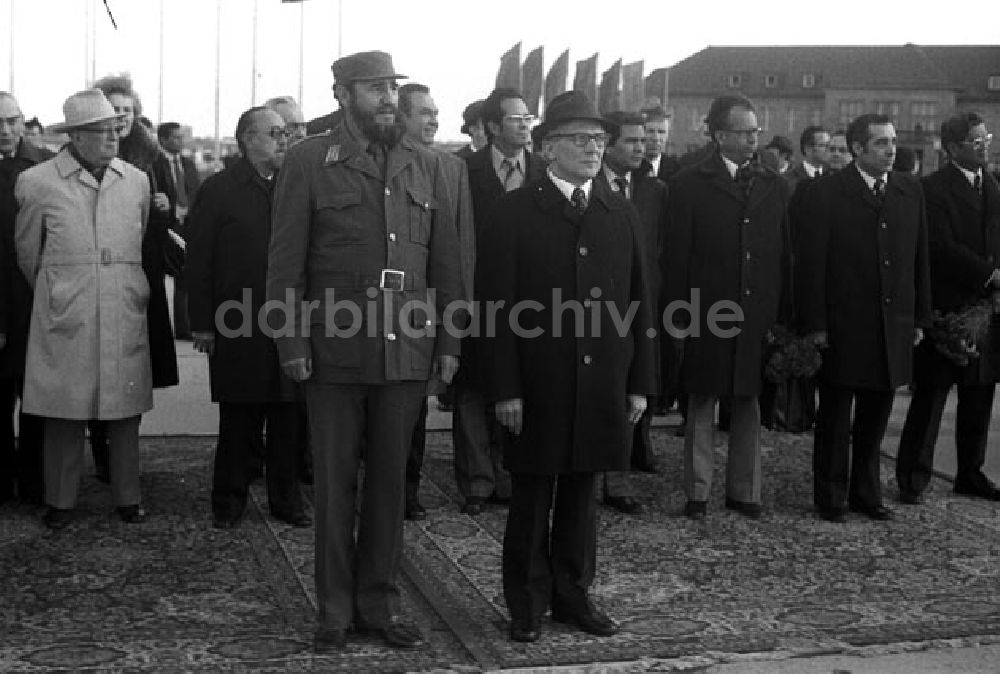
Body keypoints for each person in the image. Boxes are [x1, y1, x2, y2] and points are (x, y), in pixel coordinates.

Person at [266, 50, 462, 652]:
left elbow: (450, 265)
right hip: (333, 350)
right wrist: (291, 342)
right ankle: (334, 611)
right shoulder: (307, 162)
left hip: (406, 348)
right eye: (374, 89)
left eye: (390, 88)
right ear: (342, 93)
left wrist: (450, 341)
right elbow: (284, 264)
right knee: (332, 485)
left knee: (389, 486)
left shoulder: (431, 166)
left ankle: (379, 605)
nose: (387, 99)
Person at [478, 90, 654, 643]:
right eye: (579, 139)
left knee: (582, 495)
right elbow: (495, 310)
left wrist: (640, 384)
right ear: (547, 147)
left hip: (602, 379)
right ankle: (526, 604)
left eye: (599, 140)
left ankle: (573, 596)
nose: (593, 149)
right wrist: (505, 388)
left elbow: (640, 304)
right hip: (537, 384)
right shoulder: (512, 212)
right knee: (532, 497)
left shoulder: (619, 212)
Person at [14, 89, 154, 529]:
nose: (112, 135)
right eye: (99, 130)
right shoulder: (37, 182)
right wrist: (65, 287)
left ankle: (128, 497)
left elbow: (140, 234)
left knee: (124, 409)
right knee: (63, 409)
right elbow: (27, 253)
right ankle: (60, 500)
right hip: (66, 306)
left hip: (121, 302)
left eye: (115, 126)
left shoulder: (136, 180)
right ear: (74, 136)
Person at [797, 113, 932, 523]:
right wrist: (816, 324)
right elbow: (811, 264)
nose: (891, 150)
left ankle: (866, 493)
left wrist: (920, 318)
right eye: (880, 144)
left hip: (893, 324)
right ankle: (831, 495)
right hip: (844, 323)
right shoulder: (826, 192)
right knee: (836, 416)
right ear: (857, 149)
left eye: (892, 142)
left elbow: (919, 259)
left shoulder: (910, 191)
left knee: (876, 413)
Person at [663, 94, 790, 521]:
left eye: (757, 131)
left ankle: (744, 490)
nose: (754, 138)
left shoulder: (773, 183)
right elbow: (676, 255)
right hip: (707, 312)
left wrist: (781, 317)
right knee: (702, 401)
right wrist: (678, 317)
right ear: (720, 136)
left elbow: (782, 252)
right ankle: (698, 491)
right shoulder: (688, 183)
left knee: (750, 401)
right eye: (744, 131)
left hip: (756, 313)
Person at [186, 106, 309, 529]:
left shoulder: (296, 186)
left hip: (291, 320)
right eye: (274, 132)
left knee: (289, 418)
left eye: (287, 132)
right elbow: (198, 259)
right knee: (239, 420)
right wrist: (200, 321)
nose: (284, 139)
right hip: (237, 320)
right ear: (247, 139)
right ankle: (229, 502)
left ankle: (286, 500)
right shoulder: (219, 189)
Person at [896, 113, 1000, 504]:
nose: (984, 146)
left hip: (986, 311)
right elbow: (940, 247)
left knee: (979, 394)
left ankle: (970, 472)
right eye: (975, 141)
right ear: (952, 148)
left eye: (985, 138)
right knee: (932, 396)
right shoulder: (932, 189)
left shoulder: (991, 185)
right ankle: (913, 475)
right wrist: (990, 275)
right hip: (946, 308)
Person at [458, 87, 544, 515]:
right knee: (473, 389)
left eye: (529, 117)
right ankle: (477, 480)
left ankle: (513, 474)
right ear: (493, 127)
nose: (526, 124)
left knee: (520, 385)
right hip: (476, 294)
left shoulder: (543, 170)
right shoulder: (464, 170)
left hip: (530, 300)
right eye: (516, 118)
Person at [91, 74, 181, 483]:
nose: (121, 118)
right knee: (95, 361)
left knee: (133, 365)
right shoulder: (89, 151)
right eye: (113, 110)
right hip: (97, 267)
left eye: (126, 110)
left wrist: (163, 206)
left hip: (142, 266)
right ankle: (100, 448)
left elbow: (168, 215)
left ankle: (124, 452)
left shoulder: (153, 155)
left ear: (136, 113)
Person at [397, 82, 476, 519]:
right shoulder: (380, 161)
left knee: (416, 408)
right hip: (374, 309)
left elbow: (459, 247)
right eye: (424, 112)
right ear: (401, 117)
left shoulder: (451, 168)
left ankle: (408, 492)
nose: (433, 120)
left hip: (426, 310)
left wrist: (456, 316)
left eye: (435, 112)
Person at [596, 110, 668, 515]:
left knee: (633, 392)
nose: (642, 148)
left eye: (644, 141)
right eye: (632, 141)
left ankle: (619, 482)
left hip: (640, 306)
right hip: (591, 307)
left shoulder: (655, 190)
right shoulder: (587, 187)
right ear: (608, 145)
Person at [0, 92, 52, 505]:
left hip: (37, 297)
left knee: (38, 397)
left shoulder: (45, 167)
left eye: (11, 120)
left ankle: (35, 481)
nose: (5, 131)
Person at [640, 105, 681, 183]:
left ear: (668, 135)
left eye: (661, 132)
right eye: (650, 131)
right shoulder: (628, 169)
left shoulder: (677, 171)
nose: (656, 138)